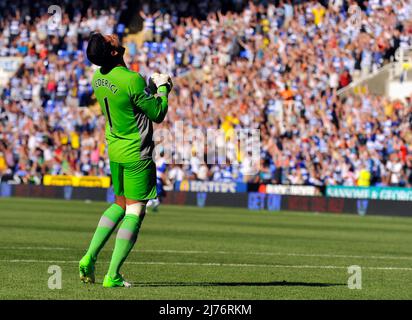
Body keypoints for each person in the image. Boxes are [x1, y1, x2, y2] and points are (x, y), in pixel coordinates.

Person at [78, 32, 173, 288]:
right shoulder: (132, 79)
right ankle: (112, 275)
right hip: (136, 152)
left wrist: (148, 90)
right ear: (113, 52)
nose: (113, 36)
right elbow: (158, 113)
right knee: (135, 211)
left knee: (119, 204)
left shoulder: (98, 78)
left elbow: (128, 102)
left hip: (115, 150)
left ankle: (89, 255)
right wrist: (163, 89)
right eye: (109, 40)